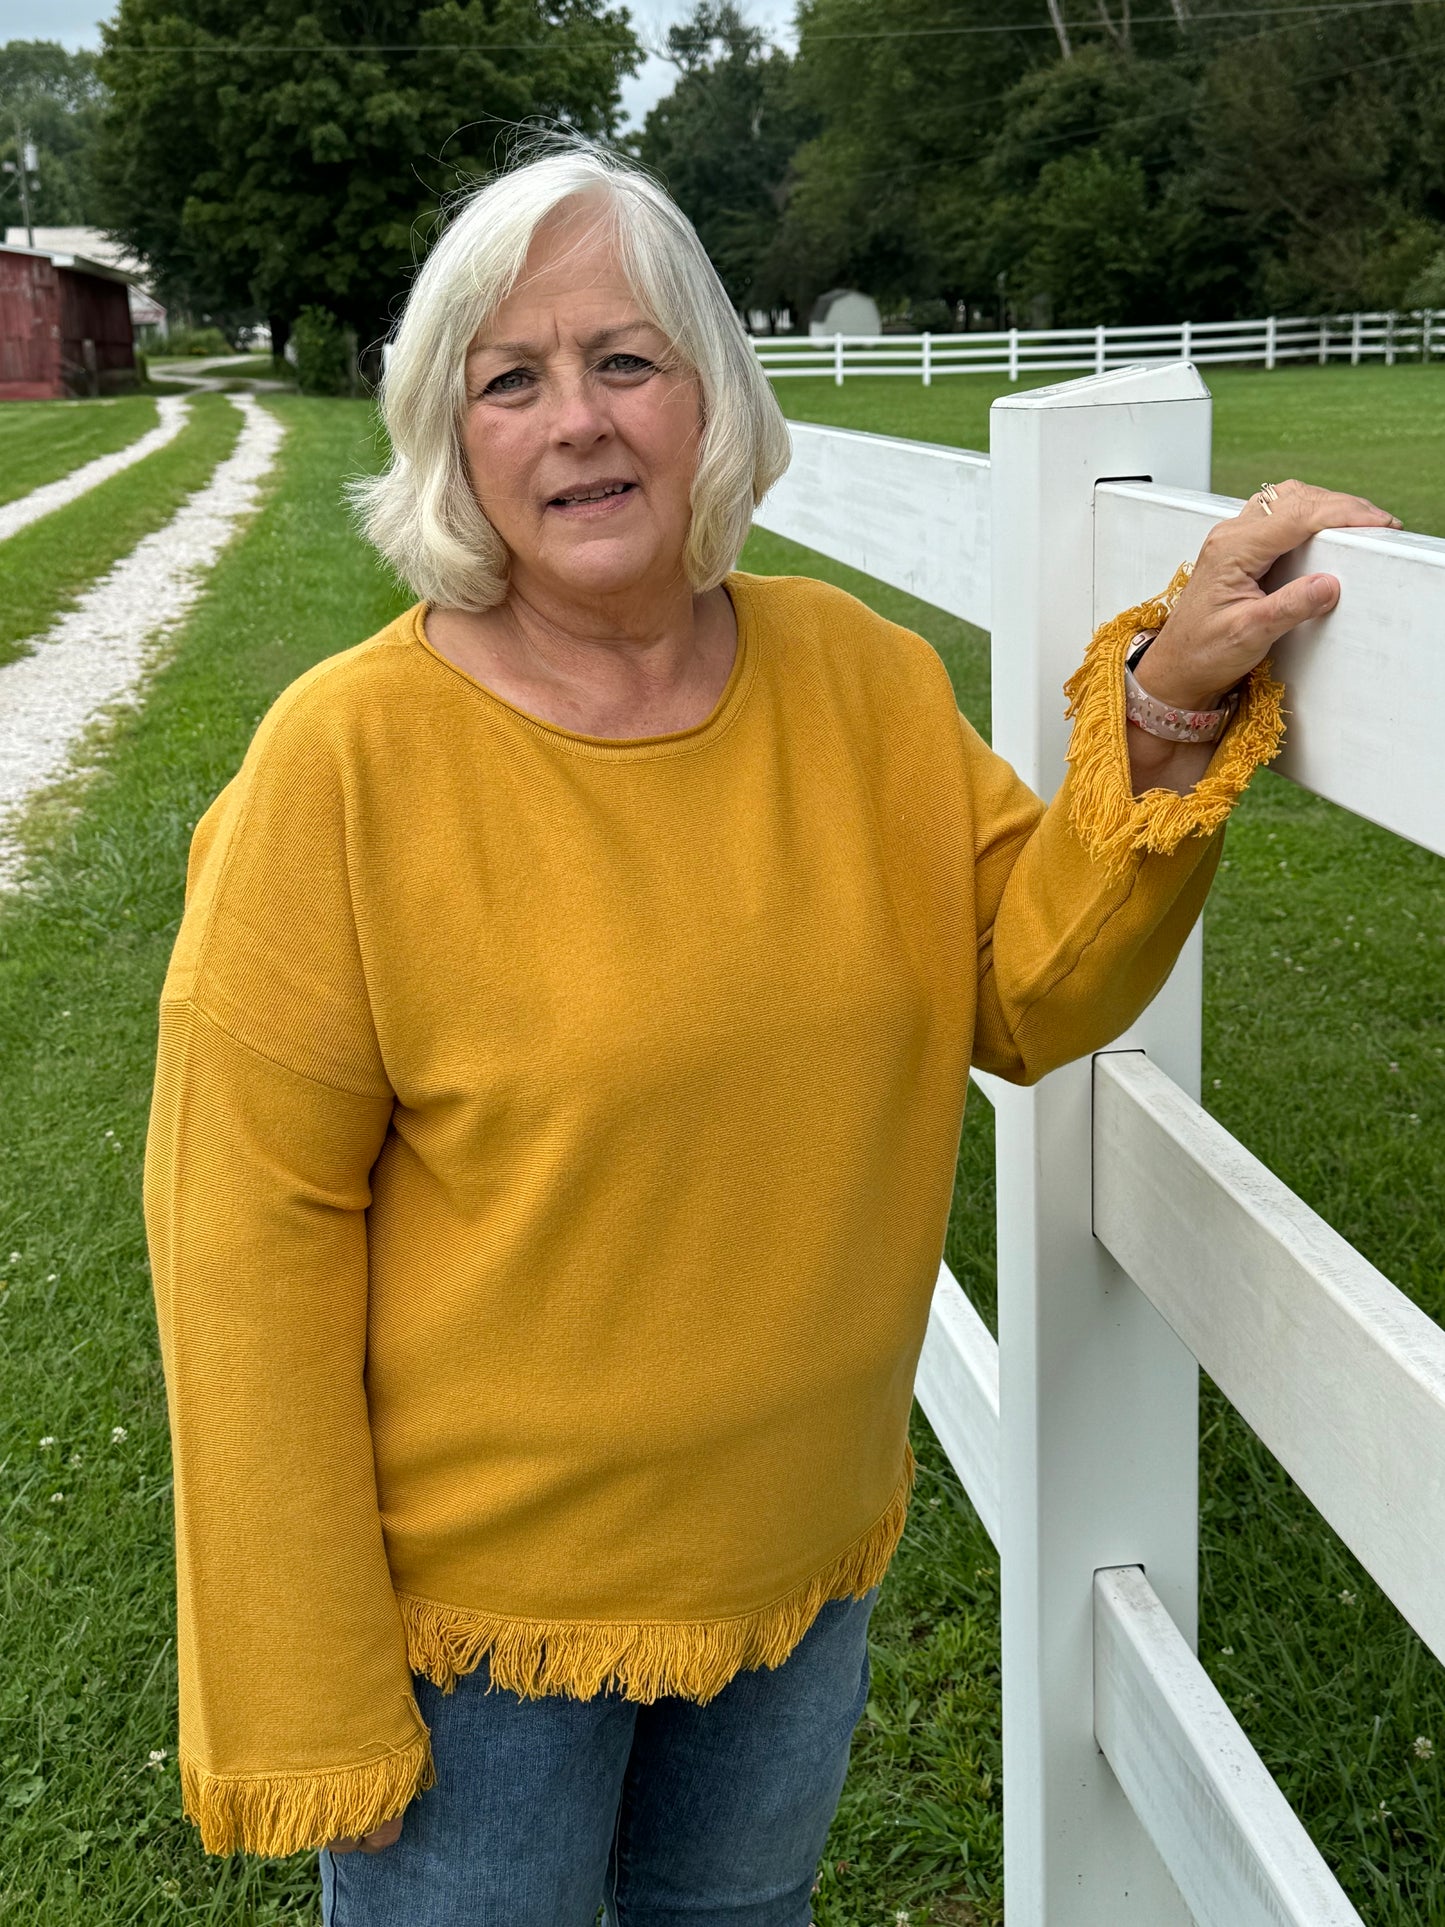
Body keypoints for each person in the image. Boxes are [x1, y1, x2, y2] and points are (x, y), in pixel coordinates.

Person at [142, 139, 1399, 1926]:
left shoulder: (861, 684)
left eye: (624, 359)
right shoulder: (341, 769)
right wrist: (302, 1676)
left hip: (794, 1577)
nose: (575, 419)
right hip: (471, 1640)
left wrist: (1172, 698)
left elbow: (1027, 985)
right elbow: (236, 1243)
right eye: (511, 378)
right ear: (449, 438)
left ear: (710, 398)